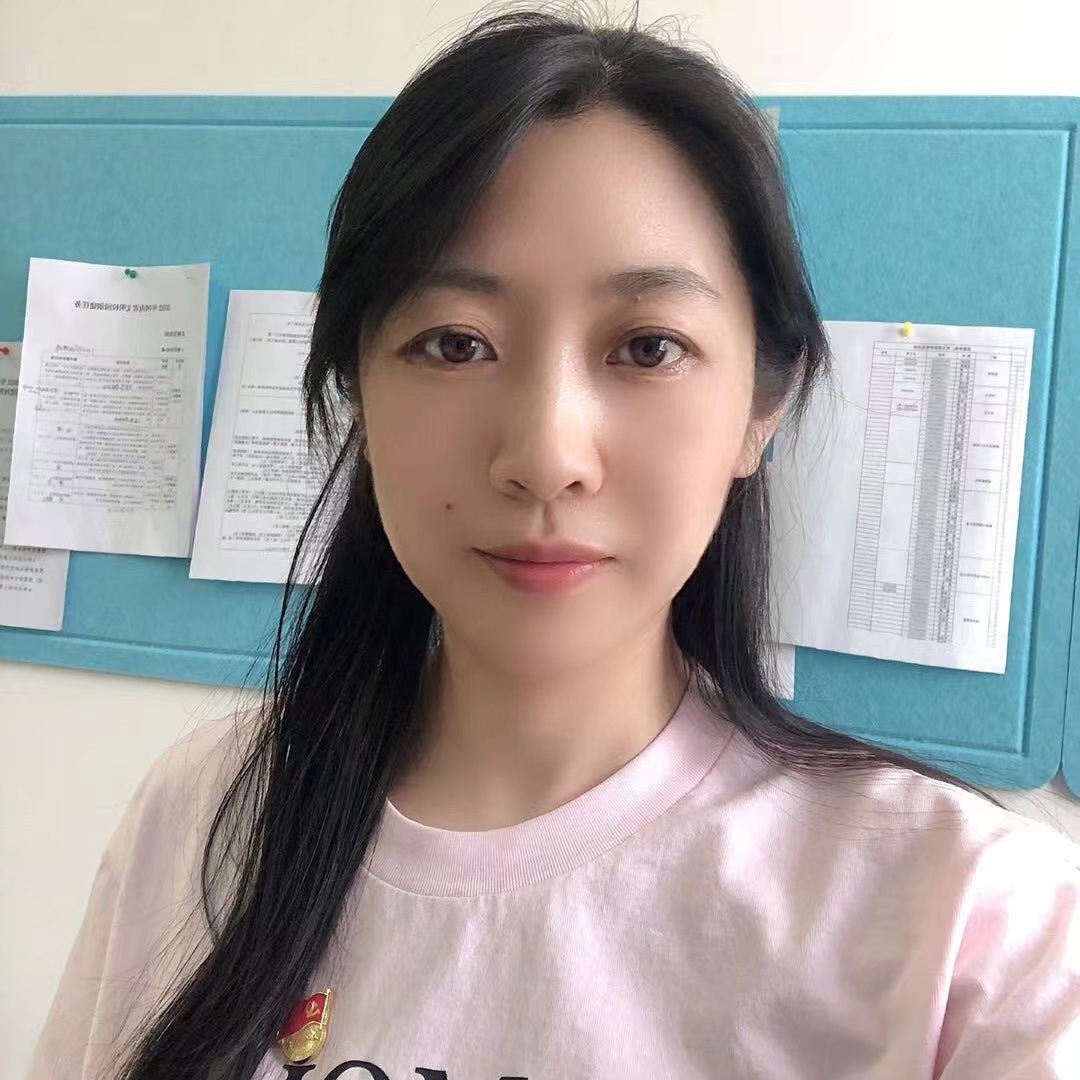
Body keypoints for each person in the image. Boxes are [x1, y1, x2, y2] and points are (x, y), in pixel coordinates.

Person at [28, 5, 1080, 1079]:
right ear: (357, 391)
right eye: (454, 344)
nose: (544, 456)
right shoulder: (209, 813)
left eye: (648, 347)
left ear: (762, 408)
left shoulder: (968, 929)